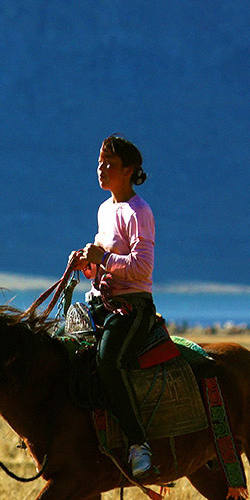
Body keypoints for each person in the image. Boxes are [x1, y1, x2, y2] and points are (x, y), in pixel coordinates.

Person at [69, 134, 157, 478]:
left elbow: (142, 267)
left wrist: (102, 257)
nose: (100, 170)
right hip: (101, 302)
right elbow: (102, 266)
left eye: (109, 165)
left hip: (133, 306)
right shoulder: (105, 210)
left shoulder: (140, 212)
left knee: (108, 361)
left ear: (129, 170)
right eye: (99, 163)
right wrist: (87, 264)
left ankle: (139, 443)